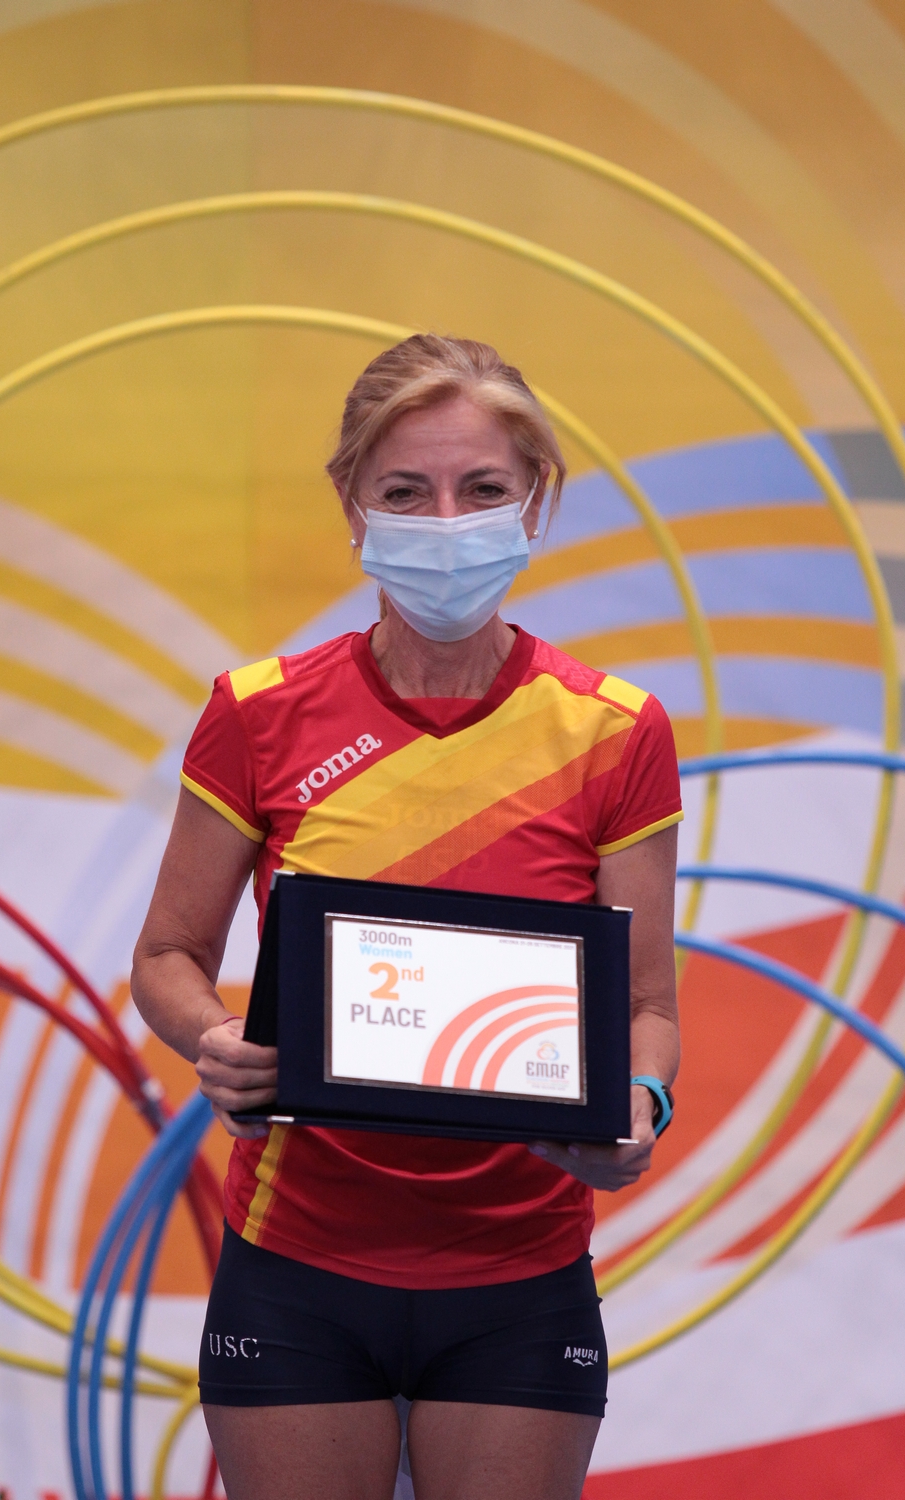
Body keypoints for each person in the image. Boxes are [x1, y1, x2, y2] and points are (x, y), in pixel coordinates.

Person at [132, 334, 681, 1500]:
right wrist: (212, 1040)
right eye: (404, 491)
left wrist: (639, 1105)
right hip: (296, 1260)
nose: (445, 522)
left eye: (481, 489)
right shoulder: (256, 712)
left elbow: (644, 1006)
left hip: (521, 1271)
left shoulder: (615, 731)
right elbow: (169, 954)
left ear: (535, 503)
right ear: (352, 505)